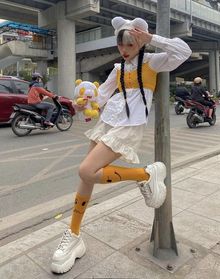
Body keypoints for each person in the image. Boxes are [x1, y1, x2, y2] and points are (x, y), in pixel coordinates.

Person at [50, 16, 192, 274]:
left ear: (139, 42)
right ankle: (74, 234)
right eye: (121, 45)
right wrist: (84, 104)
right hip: (107, 122)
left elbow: (184, 51)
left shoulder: (152, 61)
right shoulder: (118, 69)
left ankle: (146, 174)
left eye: (130, 44)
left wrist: (152, 39)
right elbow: (101, 96)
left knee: (85, 171)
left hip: (128, 126)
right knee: (86, 178)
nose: (125, 50)